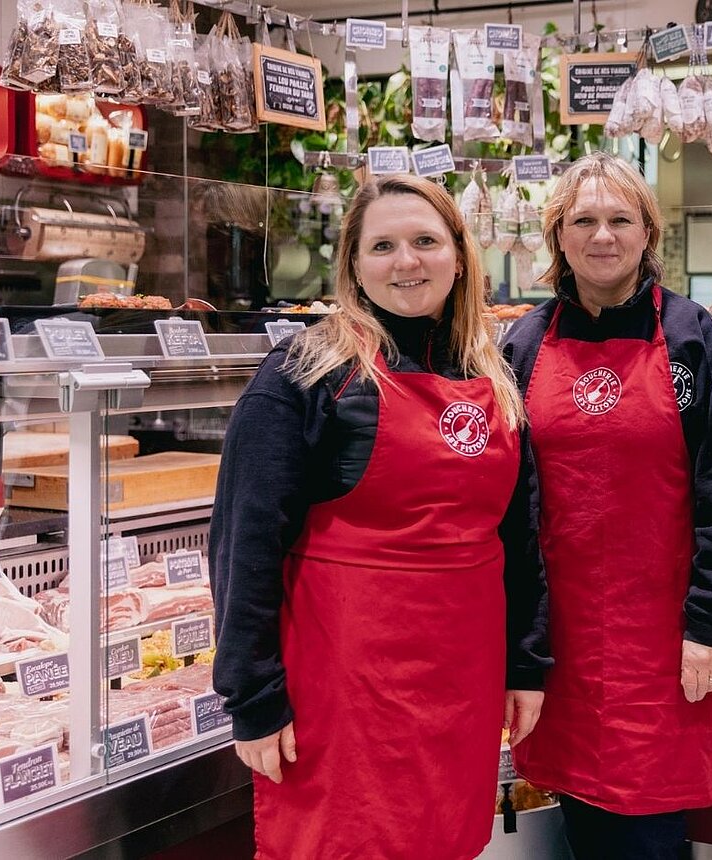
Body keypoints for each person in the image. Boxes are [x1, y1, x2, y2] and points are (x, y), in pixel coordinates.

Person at [210, 174, 549, 860]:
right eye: (383, 246)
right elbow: (244, 540)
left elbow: (521, 539)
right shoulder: (307, 369)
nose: (407, 261)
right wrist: (251, 698)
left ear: (459, 254)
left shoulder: (494, 375)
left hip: (462, 685)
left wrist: (527, 664)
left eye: (425, 241)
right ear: (355, 267)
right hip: (343, 691)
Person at [502, 151, 712, 860]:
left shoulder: (691, 337)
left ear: (648, 232)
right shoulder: (523, 343)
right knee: (583, 823)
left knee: (648, 836)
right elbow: (510, 505)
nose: (603, 235)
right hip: (563, 642)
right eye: (584, 220)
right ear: (558, 235)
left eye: (620, 219)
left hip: (666, 640)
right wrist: (520, 646)